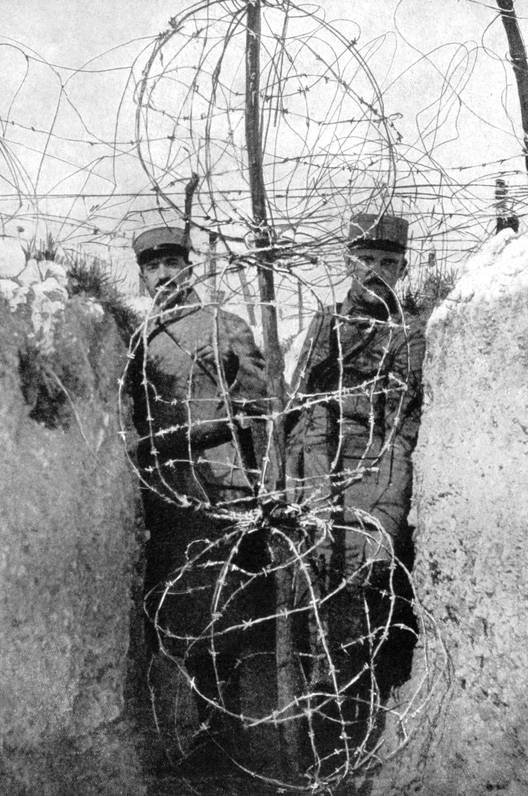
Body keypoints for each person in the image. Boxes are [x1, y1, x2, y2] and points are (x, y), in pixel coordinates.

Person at [286, 213, 425, 764]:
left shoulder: (410, 337)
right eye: (367, 259)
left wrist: (386, 506)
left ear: (404, 267)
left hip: (377, 468)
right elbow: (299, 411)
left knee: (367, 585)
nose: (376, 271)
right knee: (311, 589)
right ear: (348, 261)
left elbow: (405, 427)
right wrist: (299, 485)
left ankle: (353, 729)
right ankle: (312, 725)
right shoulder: (324, 325)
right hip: (321, 465)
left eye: (388, 262)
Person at [128, 225, 269, 763]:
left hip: (220, 488)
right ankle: (197, 730)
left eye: (172, 262)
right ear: (142, 275)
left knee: (225, 613)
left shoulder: (223, 324)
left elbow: (258, 405)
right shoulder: (139, 340)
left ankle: (226, 736)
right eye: (152, 266)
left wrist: (200, 438)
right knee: (180, 614)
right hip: (167, 493)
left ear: (190, 267)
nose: (163, 274)